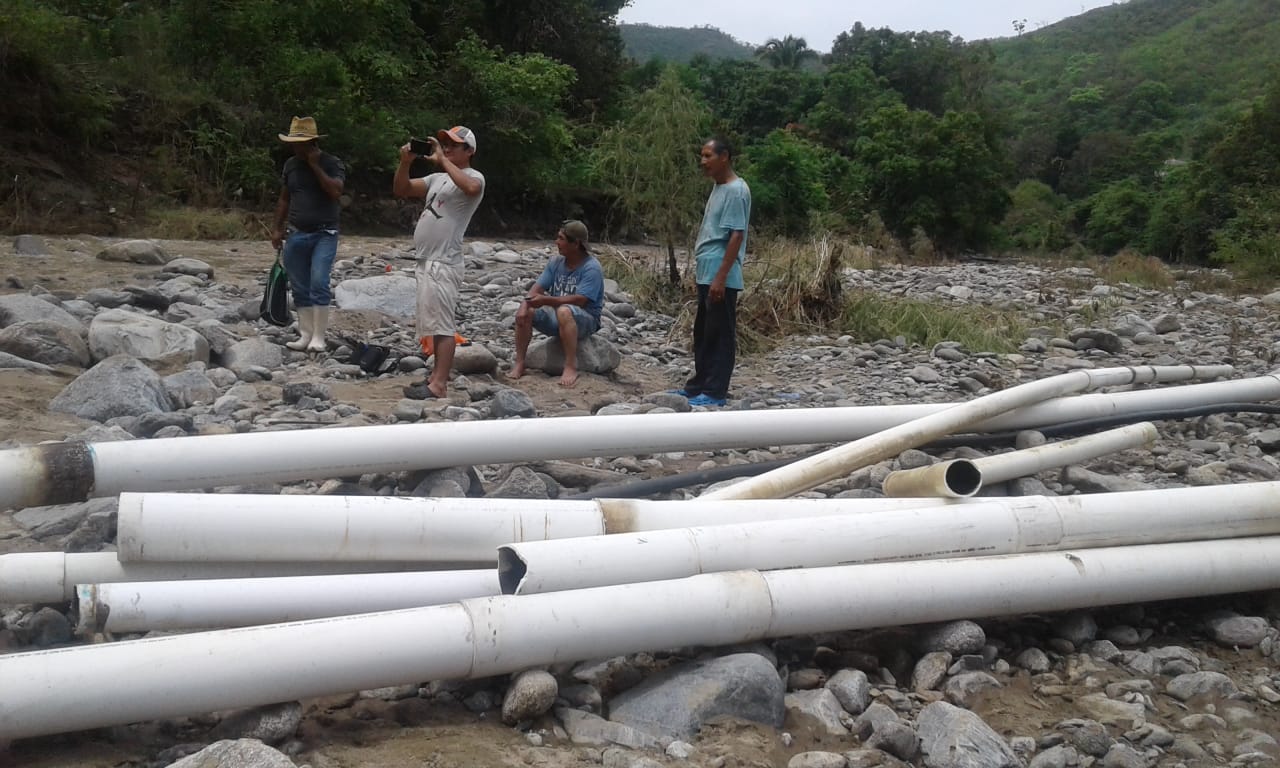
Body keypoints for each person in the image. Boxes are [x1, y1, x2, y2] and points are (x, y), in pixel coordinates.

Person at [392, 126, 485, 399]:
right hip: (425, 260)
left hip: (445, 261)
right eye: (444, 145)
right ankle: (434, 378)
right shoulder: (436, 179)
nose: (446, 149)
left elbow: (470, 188)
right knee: (431, 323)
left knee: (443, 325)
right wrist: (404, 163)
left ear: (469, 151)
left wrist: (443, 161)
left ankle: (439, 384)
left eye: (453, 146)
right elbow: (403, 189)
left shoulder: (474, 176)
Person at [677, 137, 751, 407]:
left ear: (725, 157)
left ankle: (716, 391)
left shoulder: (736, 190)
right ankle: (699, 384)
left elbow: (736, 236)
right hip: (707, 270)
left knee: (720, 333)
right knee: (704, 332)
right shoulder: (719, 188)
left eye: (708, 156)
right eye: (702, 156)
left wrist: (721, 277)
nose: (703, 162)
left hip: (722, 272)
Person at [271, 116, 346, 353]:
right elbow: (285, 198)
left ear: (312, 143)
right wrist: (277, 227)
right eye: (294, 143)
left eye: (300, 143)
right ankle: (305, 334)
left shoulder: (332, 163)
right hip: (296, 232)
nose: (295, 147)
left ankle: (319, 337)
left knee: (319, 282)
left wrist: (315, 166)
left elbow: (335, 192)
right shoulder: (290, 165)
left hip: (325, 233)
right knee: (300, 286)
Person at [511, 220, 605, 388]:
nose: (557, 242)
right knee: (527, 310)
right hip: (559, 315)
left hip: (586, 319)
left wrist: (546, 300)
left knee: (564, 311)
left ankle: (570, 365)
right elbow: (536, 289)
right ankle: (520, 362)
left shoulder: (592, 267)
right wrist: (524, 306)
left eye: (561, 238)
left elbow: (580, 300)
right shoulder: (555, 263)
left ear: (575, 244)